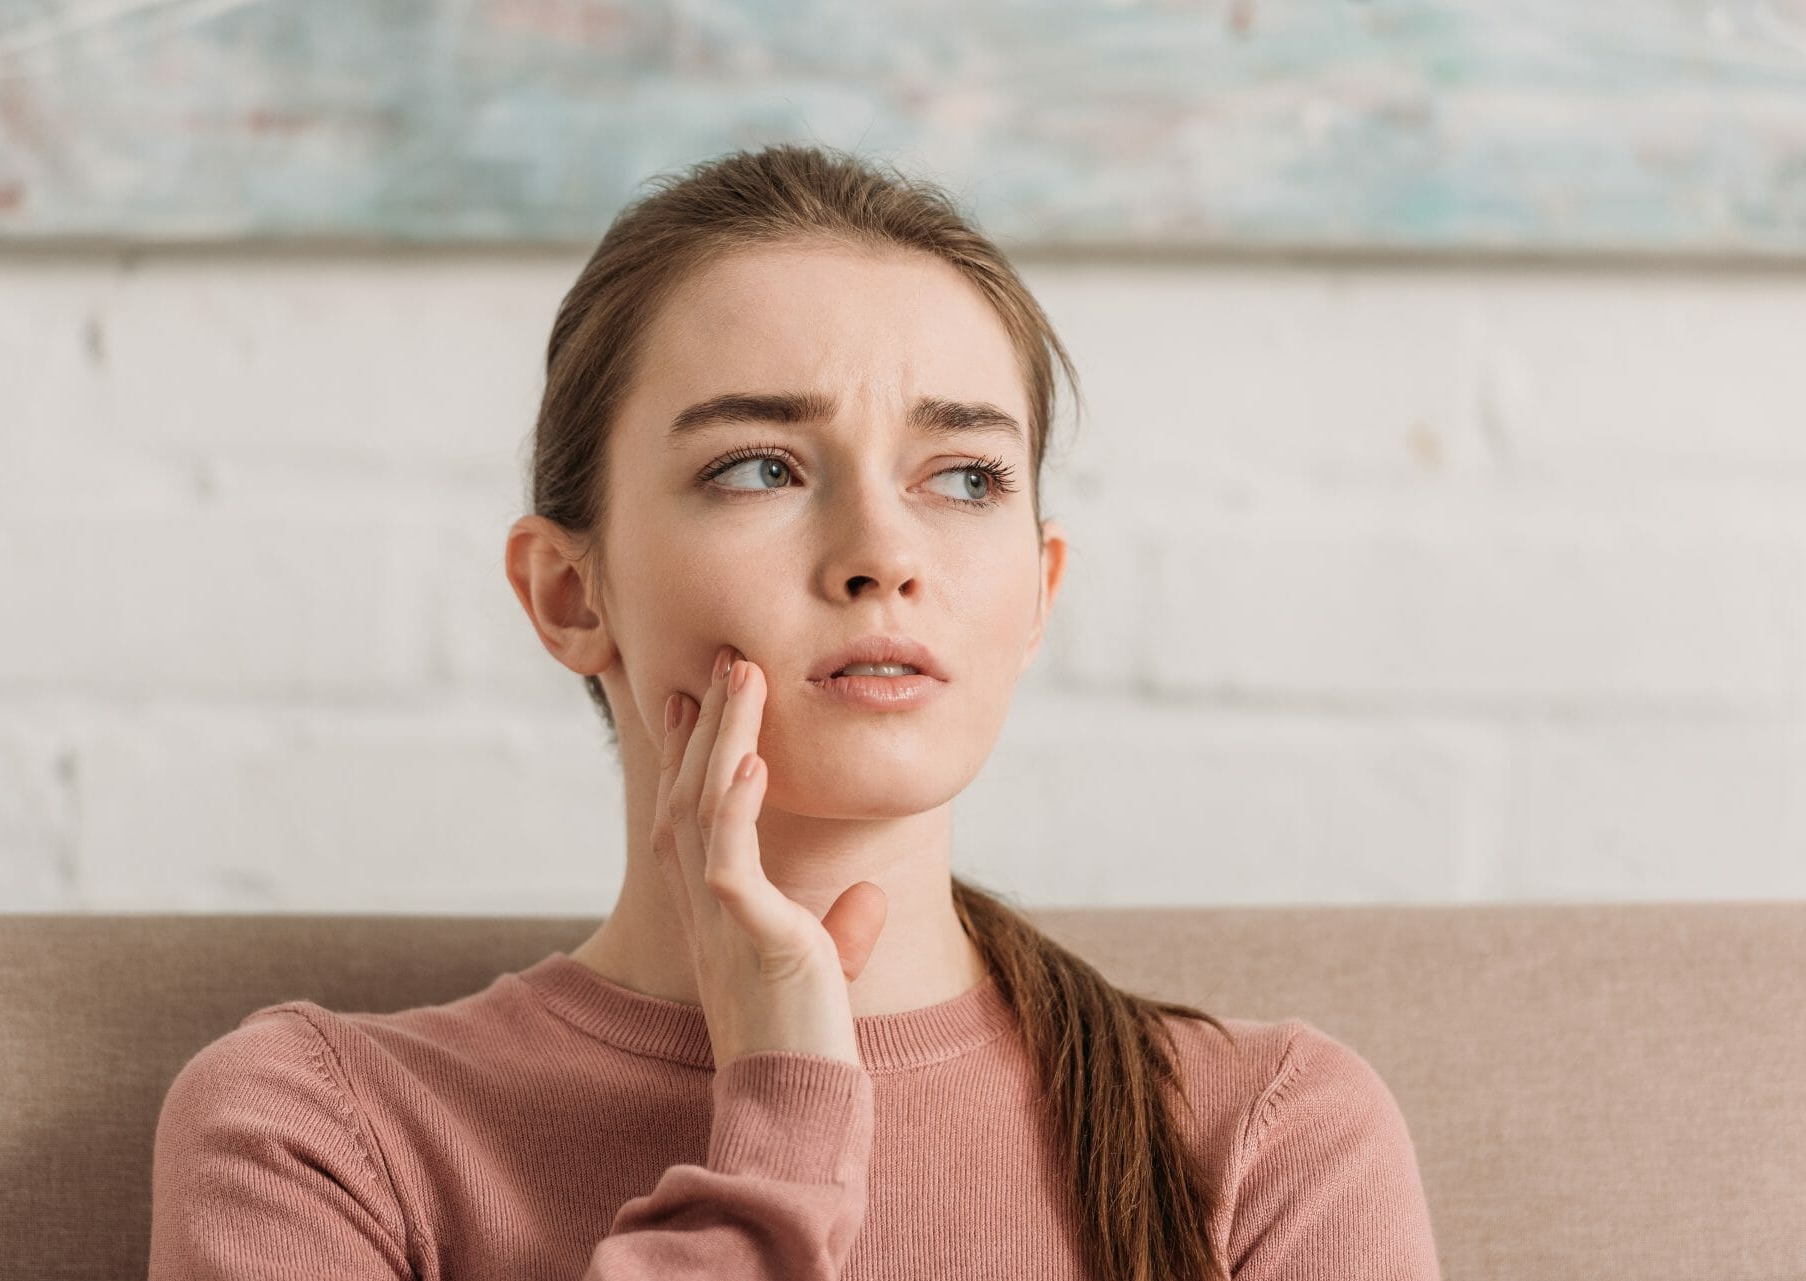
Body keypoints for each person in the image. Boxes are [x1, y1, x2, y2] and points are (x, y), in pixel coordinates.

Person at [148, 142, 1443, 1280]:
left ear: (1037, 589)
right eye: (760, 466)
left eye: (965, 474)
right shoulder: (322, 1126)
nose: (882, 550)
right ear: (567, 594)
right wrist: (783, 1132)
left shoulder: (1269, 1131)